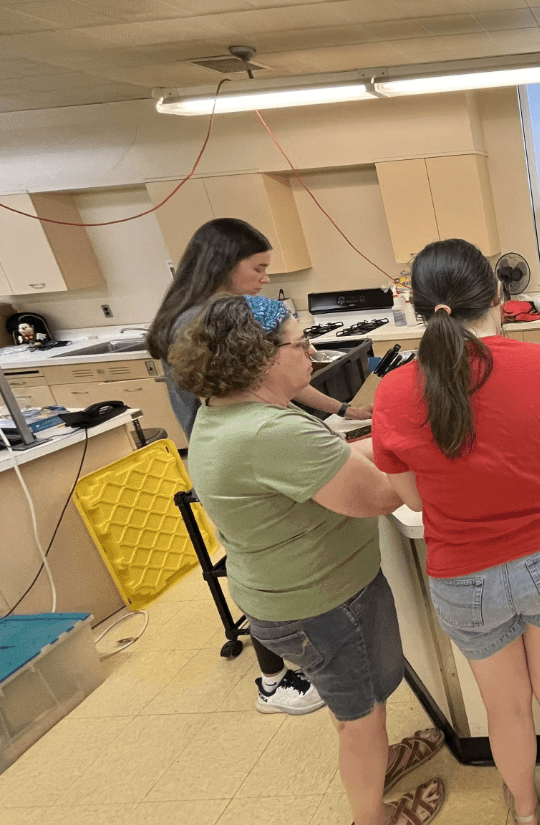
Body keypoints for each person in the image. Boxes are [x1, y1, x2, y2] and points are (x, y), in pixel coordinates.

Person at [169, 294, 446, 825]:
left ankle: (378, 763)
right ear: (262, 359)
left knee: (359, 704)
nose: (312, 353)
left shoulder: (228, 414)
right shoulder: (272, 433)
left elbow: (334, 461)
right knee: (360, 718)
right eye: (301, 344)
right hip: (323, 606)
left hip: (288, 598)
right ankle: (375, 817)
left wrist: (387, 442)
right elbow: (379, 496)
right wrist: (423, 445)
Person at [371, 239, 540, 825]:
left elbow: (416, 502)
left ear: (417, 309)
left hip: (462, 576)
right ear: (500, 295)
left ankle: (524, 811)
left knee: (505, 710)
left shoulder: (394, 393)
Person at [148, 217, 370, 714]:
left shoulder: (227, 317)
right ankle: (276, 680)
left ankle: (282, 671)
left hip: (238, 450)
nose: (266, 276)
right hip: (235, 459)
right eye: (259, 267)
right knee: (264, 560)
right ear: (224, 265)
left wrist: (342, 411)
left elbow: (280, 375)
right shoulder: (202, 324)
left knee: (261, 556)